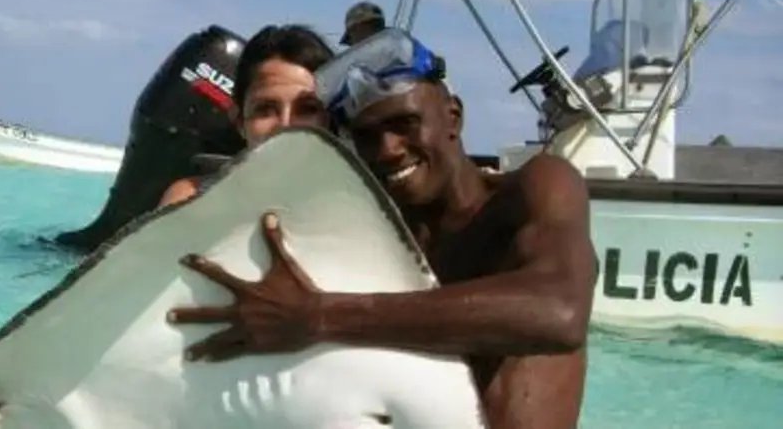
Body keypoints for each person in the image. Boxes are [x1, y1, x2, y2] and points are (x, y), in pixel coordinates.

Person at [166, 28, 595, 429]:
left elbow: (560, 313)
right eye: (367, 136)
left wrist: (316, 316)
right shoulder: (361, 226)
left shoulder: (535, 188)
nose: (387, 150)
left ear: (453, 116)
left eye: (404, 124)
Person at [157, 23, 335, 208]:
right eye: (265, 110)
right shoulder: (190, 202)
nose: (286, 125)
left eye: (307, 109)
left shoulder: (352, 205)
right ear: (239, 121)